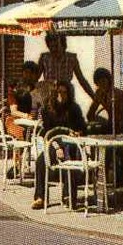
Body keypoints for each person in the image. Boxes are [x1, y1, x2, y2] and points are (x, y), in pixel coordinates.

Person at [30, 80, 86, 210]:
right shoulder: (47, 110)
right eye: (59, 92)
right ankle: (41, 197)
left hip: (70, 142)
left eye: (65, 93)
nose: (62, 96)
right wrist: (56, 147)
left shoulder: (74, 108)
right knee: (40, 162)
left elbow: (82, 127)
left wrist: (78, 133)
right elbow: (46, 133)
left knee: (70, 159)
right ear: (55, 93)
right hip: (53, 142)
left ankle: (69, 196)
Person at [38, 32, 95, 100]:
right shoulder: (44, 57)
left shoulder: (71, 58)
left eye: (56, 46)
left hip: (67, 95)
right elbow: (35, 78)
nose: (53, 49)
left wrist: (94, 97)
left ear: (63, 44)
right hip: (49, 95)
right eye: (51, 47)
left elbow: (82, 80)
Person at [85, 67, 123, 135]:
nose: (102, 84)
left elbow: (120, 116)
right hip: (110, 124)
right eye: (99, 82)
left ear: (108, 80)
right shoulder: (99, 93)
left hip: (122, 126)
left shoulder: (117, 93)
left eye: (103, 81)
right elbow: (90, 115)